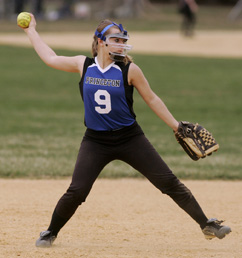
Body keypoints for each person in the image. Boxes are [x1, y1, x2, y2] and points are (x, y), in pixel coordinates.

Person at [19, 14, 231, 248]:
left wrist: (176, 125)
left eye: (123, 40)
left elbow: (152, 99)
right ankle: (50, 232)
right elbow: (50, 58)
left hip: (130, 138)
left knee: (168, 182)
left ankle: (207, 225)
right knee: (77, 191)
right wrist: (31, 31)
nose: (121, 44)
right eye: (116, 40)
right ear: (100, 41)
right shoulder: (84, 65)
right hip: (95, 141)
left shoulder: (129, 69)